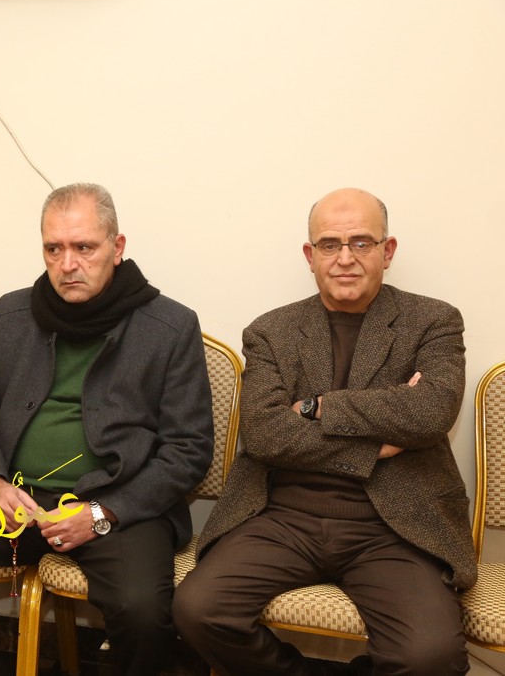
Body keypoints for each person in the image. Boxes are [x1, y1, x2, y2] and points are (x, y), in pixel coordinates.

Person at [0, 182, 215, 675]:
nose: (67, 264)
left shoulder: (168, 326)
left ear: (117, 247)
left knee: (142, 610)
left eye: (84, 247)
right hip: (15, 500)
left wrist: (101, 512)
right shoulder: (15, 314)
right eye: (53, 249)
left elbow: (188, 450)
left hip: (118, 505)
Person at [173, 188, 476, 676]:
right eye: (330, 244)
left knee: (430, 657)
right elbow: (265, 433)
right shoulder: (271, 330)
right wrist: (375, 445)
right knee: (198, 611)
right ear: (310, 255)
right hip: (281, 517)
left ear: (387, 251)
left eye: (361, 242)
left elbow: (429, 413)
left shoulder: (433, 321)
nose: (345, 258)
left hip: (394, 526)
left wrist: (316, 406)